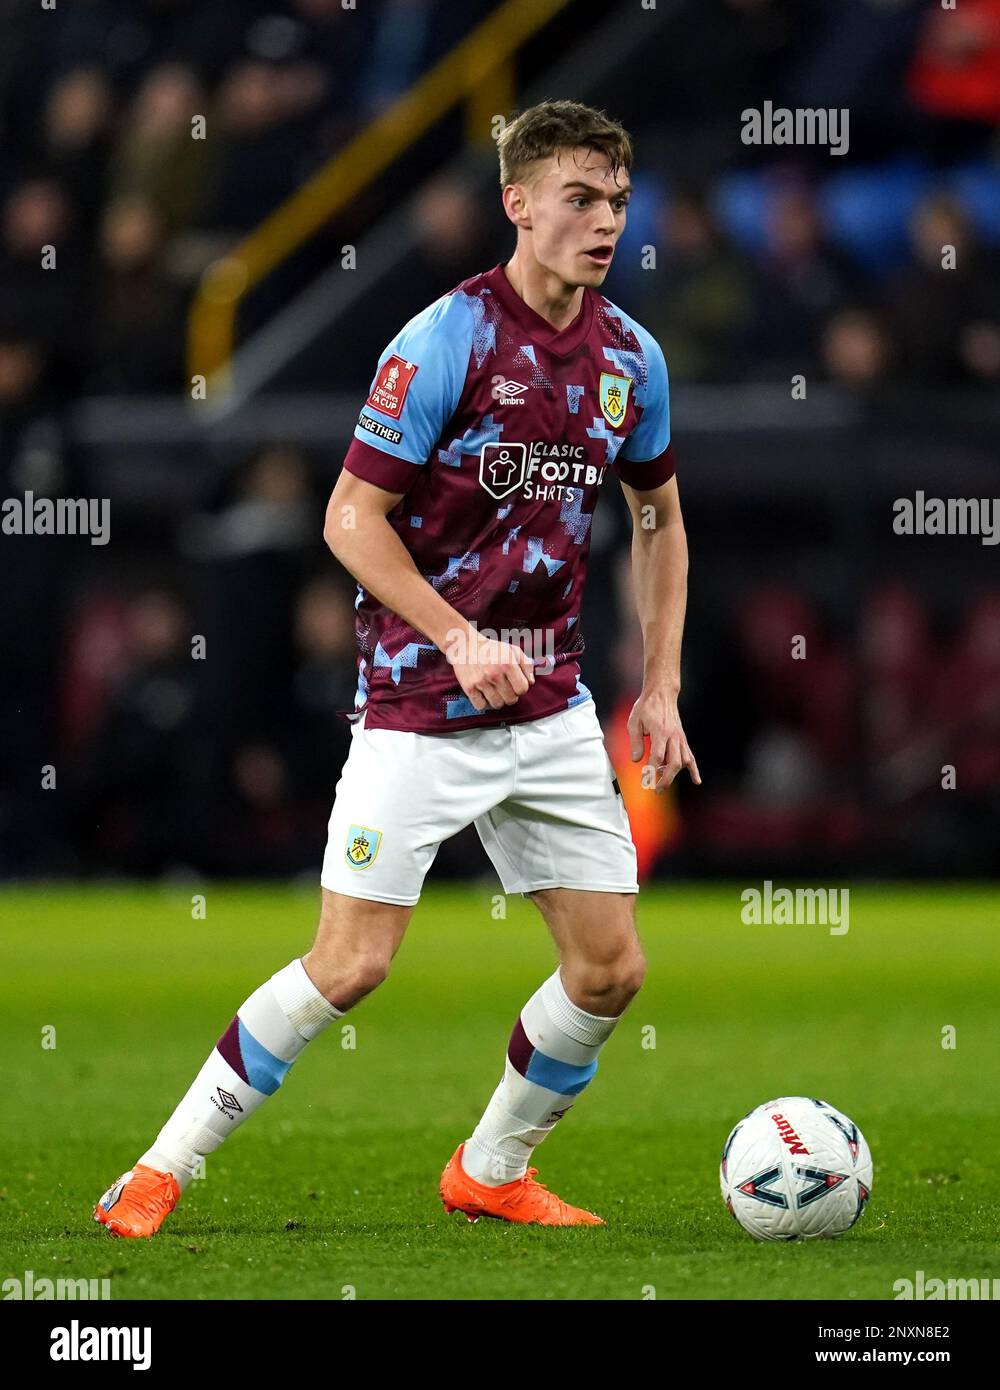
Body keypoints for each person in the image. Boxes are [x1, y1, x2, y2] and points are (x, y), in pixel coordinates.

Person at [94, 99, 700, 1236]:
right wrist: (455, 636)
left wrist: (657, 682)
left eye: (616, 200)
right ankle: (160, 1165)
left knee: (611, 969)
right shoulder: (443, 341)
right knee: (351, 963)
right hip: (422, 706)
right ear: (516, 204)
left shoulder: (630, 355)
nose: (604, 220)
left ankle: (489, 1165)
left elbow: (658, 518)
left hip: (554, 703)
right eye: (579, 198)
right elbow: (349, 519)